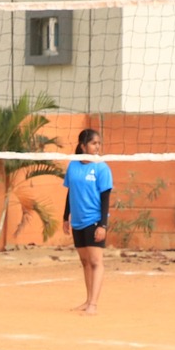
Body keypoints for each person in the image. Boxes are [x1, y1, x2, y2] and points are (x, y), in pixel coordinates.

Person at [63, 128, 112, 315]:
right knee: (85, 262)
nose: (97, 146)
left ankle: (94, 304)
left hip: (94, 220)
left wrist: (103, 225)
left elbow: (106, 196)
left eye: (98, 143)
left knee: (96, 261)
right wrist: (65, 217)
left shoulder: (101, 167)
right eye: (93, 143)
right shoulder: (73, 165)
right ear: (83, 146)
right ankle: (87, 300)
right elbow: (70, 192)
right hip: (77, 221)